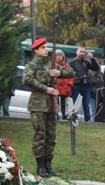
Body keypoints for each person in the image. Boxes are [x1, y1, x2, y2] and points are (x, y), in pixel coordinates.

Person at [23, 38, 75, 177]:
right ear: (36, 50)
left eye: (47, 47)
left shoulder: (52, 64)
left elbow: (72, 72)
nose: (46, 49)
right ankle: (40, 166)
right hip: (38, 105)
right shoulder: (32, 65)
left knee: (51, 136)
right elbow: (27, 80)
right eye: (43, 47)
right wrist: (46, 89)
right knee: (40, 135)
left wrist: (60, 73)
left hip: (52, 105)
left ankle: (48, 165)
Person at [68, 47, 100, 122]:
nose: (82, 53)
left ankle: (87, 121)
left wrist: (92, 58)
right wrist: (78, 77)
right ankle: (74, 120)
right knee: (75, 104)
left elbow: (96, 68)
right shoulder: (72, 62)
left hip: (86, 85)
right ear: (77, 52)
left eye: (84, 52)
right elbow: (69, 73)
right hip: (76, 85)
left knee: (86, 105)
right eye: (81, 51)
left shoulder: (86, 62)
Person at [54, 50, 74, 119]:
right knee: (56, 102)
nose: (59, 57)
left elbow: (71, 76)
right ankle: (56, 114)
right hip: (56, 87)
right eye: (57, 55)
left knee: (63, 102)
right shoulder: (53, 65)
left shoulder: (66, 65)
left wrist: (69, 84)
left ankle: (63, 114)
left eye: (60, 55)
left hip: (64, 87)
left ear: (63, 56)